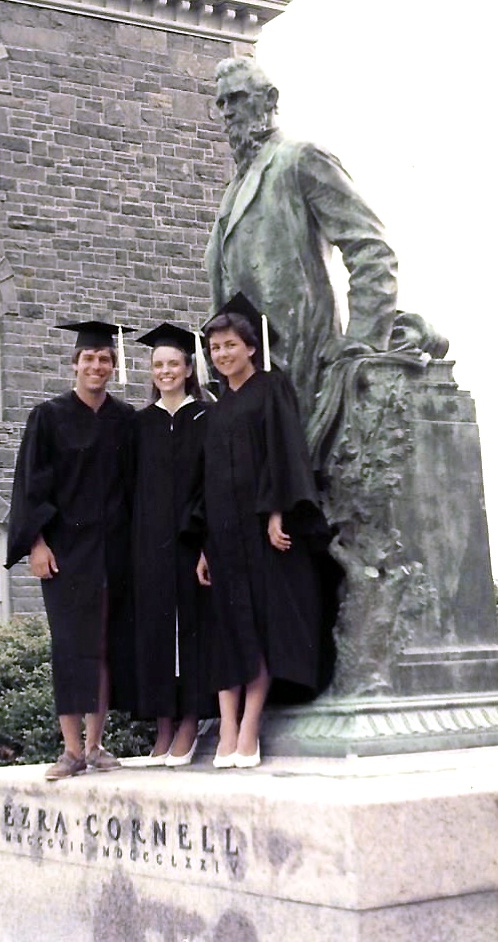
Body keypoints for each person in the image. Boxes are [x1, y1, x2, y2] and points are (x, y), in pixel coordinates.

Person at [206, 56, 398, 425]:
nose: (228, 111)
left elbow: (372, 248)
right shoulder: (233, 190)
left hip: (302, 370)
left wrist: (361, 342)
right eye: (221, 102)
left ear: (269, 99)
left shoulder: (300, 160)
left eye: (238, 98)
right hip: (243, 382)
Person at [195, 294, 334, 768]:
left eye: (230, 345)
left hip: (259, 532)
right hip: (223, 536)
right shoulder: (216, 408)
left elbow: (285, 451)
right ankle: (228, 727)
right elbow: (208, 479)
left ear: (251, 348)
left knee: (258, 625)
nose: (222, 355)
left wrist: (277, 512)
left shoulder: (272, 388)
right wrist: (204, 546)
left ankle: (249, 726)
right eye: (214, 348)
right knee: (227, 630)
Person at [5, 321, 136, 780]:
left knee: (105, 645)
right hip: (64, 552)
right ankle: (70, 749)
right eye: (89, 359)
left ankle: (97, 745)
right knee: (69, 646)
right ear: (74, 365)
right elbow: (28, 487)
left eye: (104, 359)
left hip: (114, 550)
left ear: (114, 366)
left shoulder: (125, 420)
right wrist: (35, 545)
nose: (96, 366)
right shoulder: (48, 417)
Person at [122, 323, 212, 768]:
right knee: (155, 631)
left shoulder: (205, 418)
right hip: (150, 544)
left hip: (190, 540)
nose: (165, 371)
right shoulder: (141, 424)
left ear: (189, 367)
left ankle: (191, 722)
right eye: (158, 365)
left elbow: (210, 486)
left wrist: (203, 541)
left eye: (173, 363)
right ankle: (162, 728)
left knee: (193, 628)